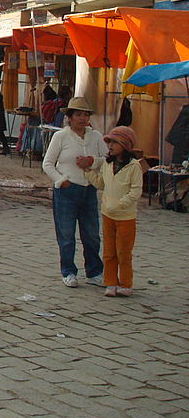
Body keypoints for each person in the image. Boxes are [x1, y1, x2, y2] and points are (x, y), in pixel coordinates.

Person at [42, 97, 108, 288]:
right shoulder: (61, 137)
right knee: (66, 234)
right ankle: (68, 271)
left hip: (89, 189)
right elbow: (47, 163)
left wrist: (91, 161)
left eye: (85, 115)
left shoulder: (95, 136)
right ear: (70, 117)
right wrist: (60, 180)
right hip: (67, 191)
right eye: (78, 114)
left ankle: (94, 271)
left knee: (91, 234)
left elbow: (106, 158)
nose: (82, 118)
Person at [84, 126, 142, 297]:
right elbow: (101, 183)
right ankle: (110, 282)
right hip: (107, 215)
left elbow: (136, 191)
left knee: (123, 252)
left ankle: (125, 283)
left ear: (125, 145)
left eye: (115, 142)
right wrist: (88, 173)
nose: (110, 146)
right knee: (109, 252)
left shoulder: (133, 167)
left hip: (125, 217)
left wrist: (121, 204)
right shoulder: (107, 164)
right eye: (109, 142)